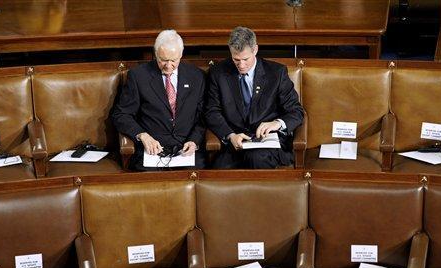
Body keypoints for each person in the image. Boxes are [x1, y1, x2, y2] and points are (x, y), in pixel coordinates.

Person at [205, 26, 304, 169]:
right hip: (235, 143)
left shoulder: (276, 73)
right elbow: (212, 111)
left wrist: (277, 123)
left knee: (256, 159)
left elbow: (296, 111)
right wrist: (230, 135)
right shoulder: (218, 73)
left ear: (255, 50)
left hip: (268, 144)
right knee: (219, 171)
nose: (241, 65)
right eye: (236, 59)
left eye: (245, 59)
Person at [112, 29, 206, 170]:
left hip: (185, 150)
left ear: (181, 55)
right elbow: (121, 114)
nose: (168, 66)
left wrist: (194, 141)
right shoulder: (138, 77)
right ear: (155, 54)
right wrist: (142, 135)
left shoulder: (197, 76)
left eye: (173, 60)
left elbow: (203, 116)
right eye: (163, 60)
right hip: (151, 150)